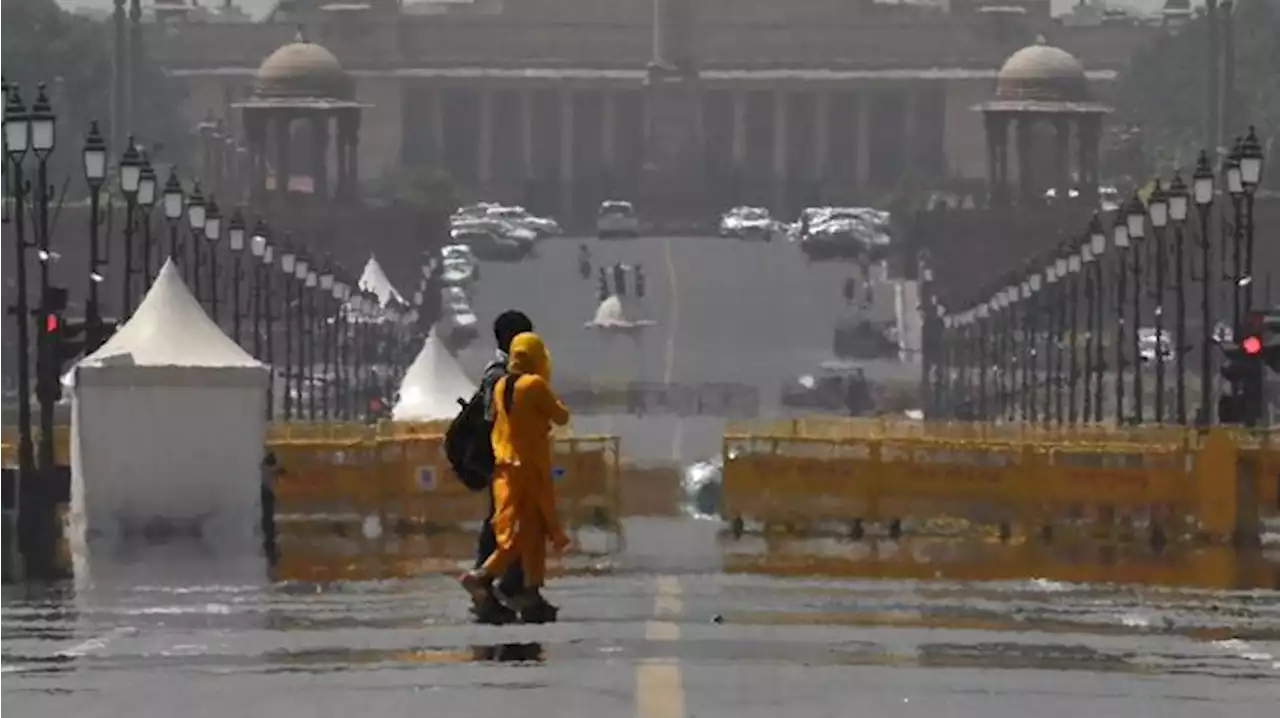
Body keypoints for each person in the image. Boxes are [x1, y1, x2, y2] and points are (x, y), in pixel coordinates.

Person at [460, 331, 571, 618]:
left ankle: (531, 593)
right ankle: (483, 576)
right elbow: (561, 416)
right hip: (529, 468)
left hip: (505, 469)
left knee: (530, 529)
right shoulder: (534, 385)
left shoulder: (500, 386)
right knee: (523, 533)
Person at [472, 310, 537, 624]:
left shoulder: (508, 371)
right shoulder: (499, 374)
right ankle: (487, 581)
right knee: (505, 519)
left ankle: (510, 582)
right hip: (505, 458)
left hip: (513, 457)